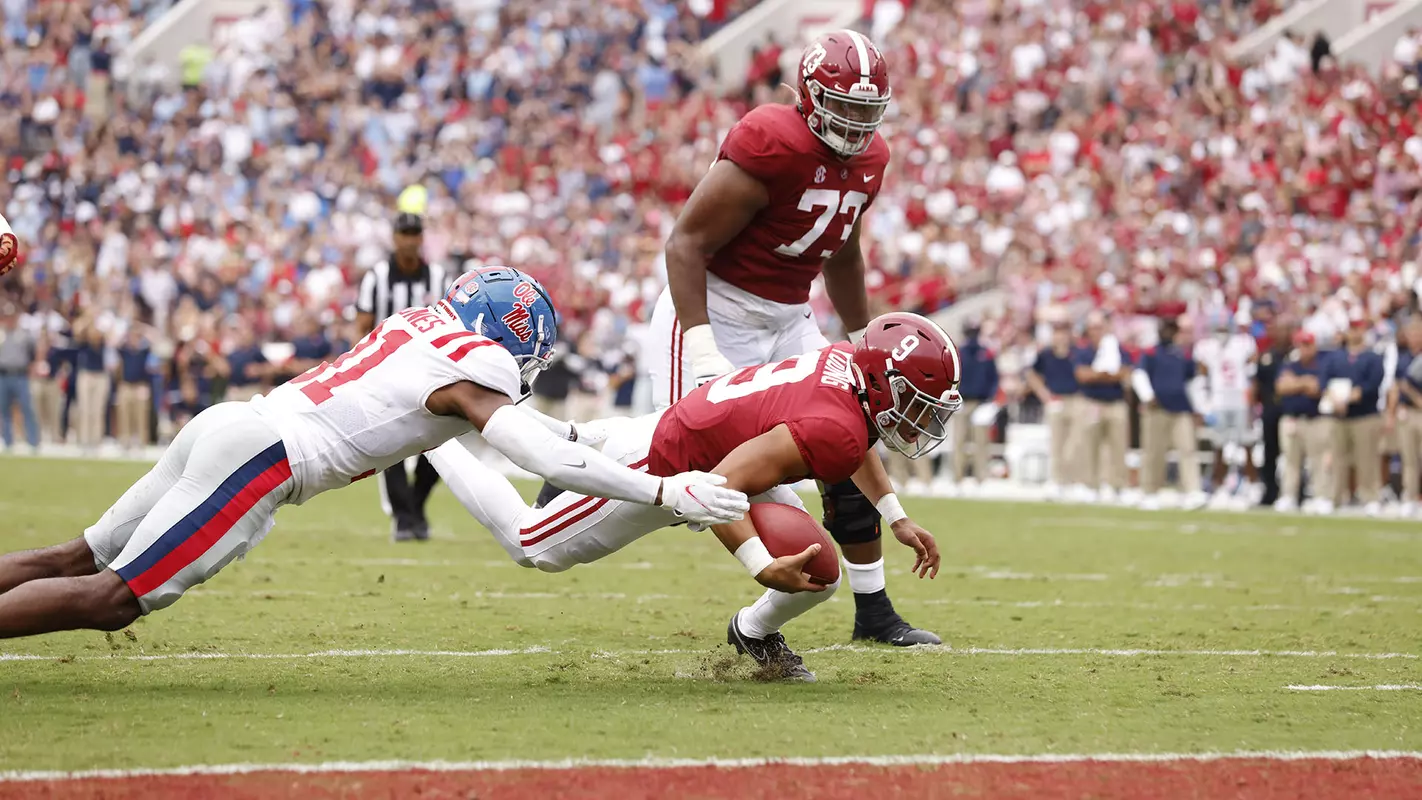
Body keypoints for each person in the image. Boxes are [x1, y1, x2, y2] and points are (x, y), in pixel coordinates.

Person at [0, 268, 747, 640]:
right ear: (512, 339)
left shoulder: (420, 325)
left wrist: (595, 437)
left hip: (229, 424)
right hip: (262, 460)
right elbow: (541, 462)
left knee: (77, 557)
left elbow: (550, 438)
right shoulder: (476, 372)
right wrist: (662, 493)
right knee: (114, 598)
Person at [431, 312, 952, 680]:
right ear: (885, 383)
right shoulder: (834, 426)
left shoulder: (843, 362)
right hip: (669, 462)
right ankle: (433, 438)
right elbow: (718, 486)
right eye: (920, 404)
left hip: (700, 435)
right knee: (532, 544)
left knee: (817, 572)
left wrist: (896, 516)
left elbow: (855, 436)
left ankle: (751, 632)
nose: (925, 420)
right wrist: (757, 564)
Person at [635, 30, 936, 646]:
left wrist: (861, 339)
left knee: (852, 431)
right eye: (844, 108)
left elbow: (843, 253)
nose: (855, 126)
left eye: (866, 112)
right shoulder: (771, 141)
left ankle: (873, 610)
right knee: (688, 471)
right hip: (715, 310)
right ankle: (578, 470)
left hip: (788, 316)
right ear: (809, 96)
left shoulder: (872, 160)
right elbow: (685, 243)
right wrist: (701, 344)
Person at [355, 211, 453, 542]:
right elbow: (363, 327)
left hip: (432, 374)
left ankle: (413, 507)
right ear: (395, 238)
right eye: (405, 234)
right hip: (387, 374)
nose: (410, 240)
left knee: (441, 443)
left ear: (421, 238)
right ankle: (404, 518)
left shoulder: (438, 278)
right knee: (389, 446)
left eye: (415, 234)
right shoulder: (377, 277)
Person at [1137, 317, 1204, 509]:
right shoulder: (1151, 352)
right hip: (1157, 409)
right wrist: (1148, 396)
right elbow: (1139, 373)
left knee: (1187, 449)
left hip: (1180, 408)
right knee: (1154, 452)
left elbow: (1193, 381)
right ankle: (1150, 490)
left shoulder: (1182, 354)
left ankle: (1192, 490)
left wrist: (1197, 407)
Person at [1322, 317, 1385, 515]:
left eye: (1358, 328)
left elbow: (1374, 382)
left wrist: (1354, 395)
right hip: (1339, 414)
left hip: (1364, 414)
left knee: (1366, 458)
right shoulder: (1336, 356)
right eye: (1352, 328)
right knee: (1338, 457)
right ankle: (1335, 496)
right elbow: (1324, 379)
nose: (1355, 332)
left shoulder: (1372, 357)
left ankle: (1370, 496)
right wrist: (1332, 397)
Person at [1072, 312, 1130, 503]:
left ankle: (1117, 485)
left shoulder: (1117, 349)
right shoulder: (1084, 350)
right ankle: (1090, 484)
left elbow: (1124, 372)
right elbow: (1082, 375)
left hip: (1115, 402)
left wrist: (1099, 374)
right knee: (1089, 444)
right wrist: (1105, 375)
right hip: (1093, 402)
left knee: (1118, 445)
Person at [1025, 321, 1079, 498]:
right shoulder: (1046, 355)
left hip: (1076, 399)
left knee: (1075, 442)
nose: (1060, 338)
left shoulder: (1076, 353)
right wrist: (1044, 393)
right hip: (1056, 399)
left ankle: (1072, 479)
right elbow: (1031, 374)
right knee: (1057, 442)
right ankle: (1057, 480)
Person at [1276, 331, 1327, 513]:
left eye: (1307, 345)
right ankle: (1288, 496)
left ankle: (1320, 496)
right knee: (1290, 461)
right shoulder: (1291, 365)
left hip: (1314, 419)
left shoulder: (1321, 365)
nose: (1303, 349)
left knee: (1317, 461)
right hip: (1292, 419)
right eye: (1300, 345)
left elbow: (1317, 388)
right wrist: (1304, 382)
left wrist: (1296, 383)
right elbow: (1282, 386)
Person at [950, 322, 999, 493]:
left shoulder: (986, 353)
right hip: (962, 401)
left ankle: (981, 478)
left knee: (981, 442)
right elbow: (952, 376)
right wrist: (955, 396)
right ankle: (958, 478)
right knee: (959, 441)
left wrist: (989, 401)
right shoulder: (959, 353)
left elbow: (994, 377)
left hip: (980, 403)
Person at [1389, 320, 1422, 516]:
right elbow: (1397, 386)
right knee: (1409, 459)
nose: (1414, 337)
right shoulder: (1403, 359)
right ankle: (1410, 497)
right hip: (1408, 412)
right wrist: (1391, 416)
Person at [0, 304, 39, 453]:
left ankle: (32, 442)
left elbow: (32, 353)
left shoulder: (24, 335)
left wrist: (30, 368)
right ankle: (7, 441)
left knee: (26, 407)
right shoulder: (1, 334)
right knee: (4, 410)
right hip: (3, 374)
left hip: (20, 375)